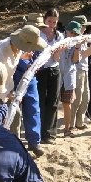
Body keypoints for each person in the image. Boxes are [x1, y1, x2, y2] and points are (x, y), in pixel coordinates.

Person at [0, 24, 47, 110]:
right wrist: (7, 94)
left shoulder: (18, 47)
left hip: (7, 85)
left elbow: (13, 57)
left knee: (14, 115)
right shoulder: (0, 51)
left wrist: (23, 56)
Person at [36, 9, 64, 145]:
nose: (52, 24)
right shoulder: (38, 35)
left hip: (54, 69)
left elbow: (56, 58)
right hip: (40, 70)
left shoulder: (59, 36)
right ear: (44, 20)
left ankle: (50, 134)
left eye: (54, 22)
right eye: (49, 21)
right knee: (40, 101)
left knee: (53, 101)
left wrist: (58, 51)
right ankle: (39, 133)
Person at [69, 15, 91, 131]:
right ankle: (71, 124)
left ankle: (80, 121)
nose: (85, 29)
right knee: (77, 99)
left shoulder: (83, 38)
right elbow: (80, 56)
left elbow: (87, 54)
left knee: (85, 97)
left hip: (84, 69)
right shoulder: (75, 39)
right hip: (77, 70)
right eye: (84, 26)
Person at [13, 53, 43, 157]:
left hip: (30, 78)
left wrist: (37, 65)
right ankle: (14, 144)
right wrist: (23, 64)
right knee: (14, 113)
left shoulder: (38, 44)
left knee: (33, 109)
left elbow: (41, 58)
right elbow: (9, 59)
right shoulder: (11, 43)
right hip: (13, 77)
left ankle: (34, 142)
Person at [58, 21, 81, 137]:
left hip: (69, 76)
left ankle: (67, 129)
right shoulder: (59, 38)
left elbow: (75, 60)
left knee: (67, 103)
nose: (72, 35)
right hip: (56, 75)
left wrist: (77, 47)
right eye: (71, 32)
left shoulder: (76, 42)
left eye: (75, 33)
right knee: (51, 103)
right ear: (66, 30)